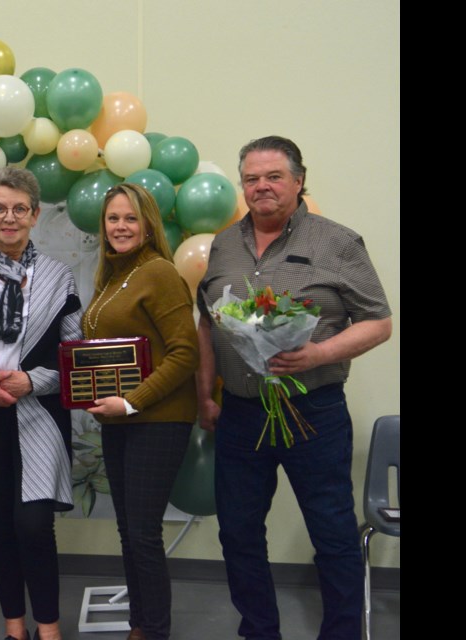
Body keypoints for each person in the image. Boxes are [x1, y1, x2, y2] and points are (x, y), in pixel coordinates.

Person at [197, 136, 393, 640]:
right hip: (240, 414)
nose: (261, 187)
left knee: (331, 535)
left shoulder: (336, 242)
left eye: (273, 177)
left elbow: (378, 322)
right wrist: (206, 393)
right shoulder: (223, 243)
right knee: (238, 534)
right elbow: (207, 323)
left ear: (299, 181)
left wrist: (318, 354)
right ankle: (259, 631)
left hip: (315, 413)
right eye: (251, 179)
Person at [0, 167, 81, 640]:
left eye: (19, 209)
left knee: (33, 524)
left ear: (35, 215)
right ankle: (14, 627)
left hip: (38, 416)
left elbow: (73, 357)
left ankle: (49, 628)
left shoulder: (58, 278)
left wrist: (30, 381)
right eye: (0, 208)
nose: (9, 218)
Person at [80, 183, 199, 640]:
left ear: (148, 225)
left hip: (157, 419)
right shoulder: (114, 276)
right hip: (119, 419)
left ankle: (154, 630)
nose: (121, 226)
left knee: (144, 533)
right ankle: (140, 624)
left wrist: (131, 401)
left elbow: (185, 353)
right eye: (113, 218)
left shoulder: (160, 272)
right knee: (129, 531)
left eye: (131, 218)